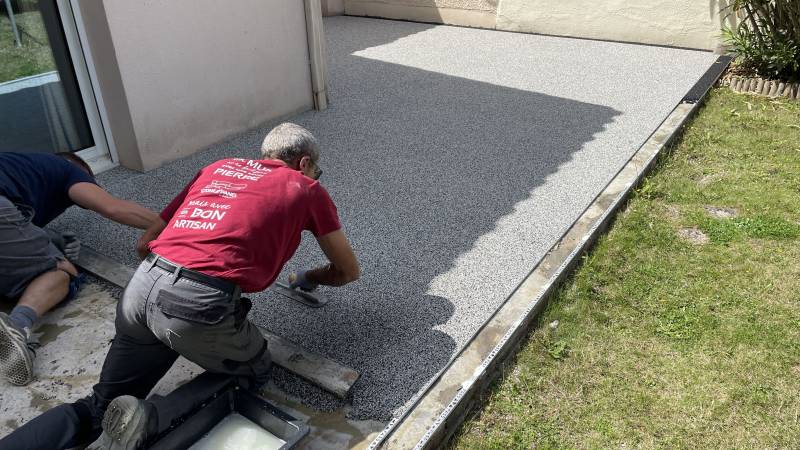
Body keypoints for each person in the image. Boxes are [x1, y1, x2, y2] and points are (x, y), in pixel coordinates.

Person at [0, 123, 360, 450]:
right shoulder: (306, 188)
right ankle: (151, 417)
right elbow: (347, 271)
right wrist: (309, 278)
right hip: (196, 304)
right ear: (304, 163)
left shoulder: (217, 169)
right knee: (254, 368)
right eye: (316, 171)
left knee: (99, 406)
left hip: (140, 289)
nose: (315, 177)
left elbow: (147, 242)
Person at [0, 152, 160, 386]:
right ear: (82, 169)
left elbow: (17, 234)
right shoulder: (68, 170)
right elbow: (112, 208)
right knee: (62, 272)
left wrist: (53, 241)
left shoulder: (22, 168)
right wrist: (172, 223)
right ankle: (17, 325)